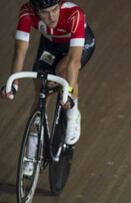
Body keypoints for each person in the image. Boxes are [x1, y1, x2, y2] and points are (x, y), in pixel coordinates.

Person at [1, 0, 95, 176]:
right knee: (40, 86)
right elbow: (20, 49)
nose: (51, 16)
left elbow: (74, 62)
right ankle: (32, 148)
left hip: (77, 46)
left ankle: (74, 114)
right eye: (45, 12)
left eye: (54, 10)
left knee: (62, 70)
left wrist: (68, 92)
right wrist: (13, 83)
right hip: (51, 45)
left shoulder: (74, 14)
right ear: (36, 11)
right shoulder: (26, 12)